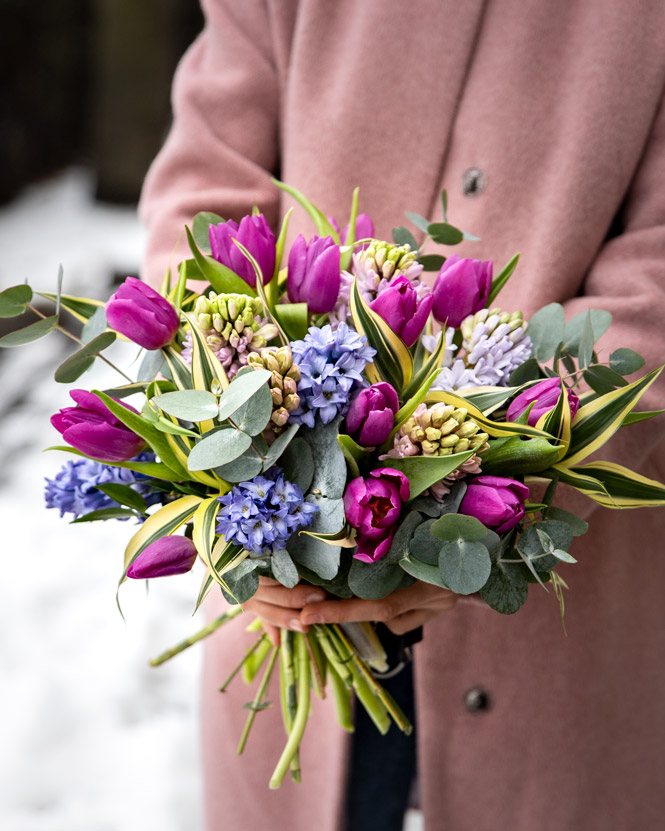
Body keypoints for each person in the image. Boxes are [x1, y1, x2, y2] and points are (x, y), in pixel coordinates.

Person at [139, 1, 665, 829]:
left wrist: (481, 502)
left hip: (564, 608)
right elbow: (201, 203)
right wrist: (252, 444)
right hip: (284, 576)